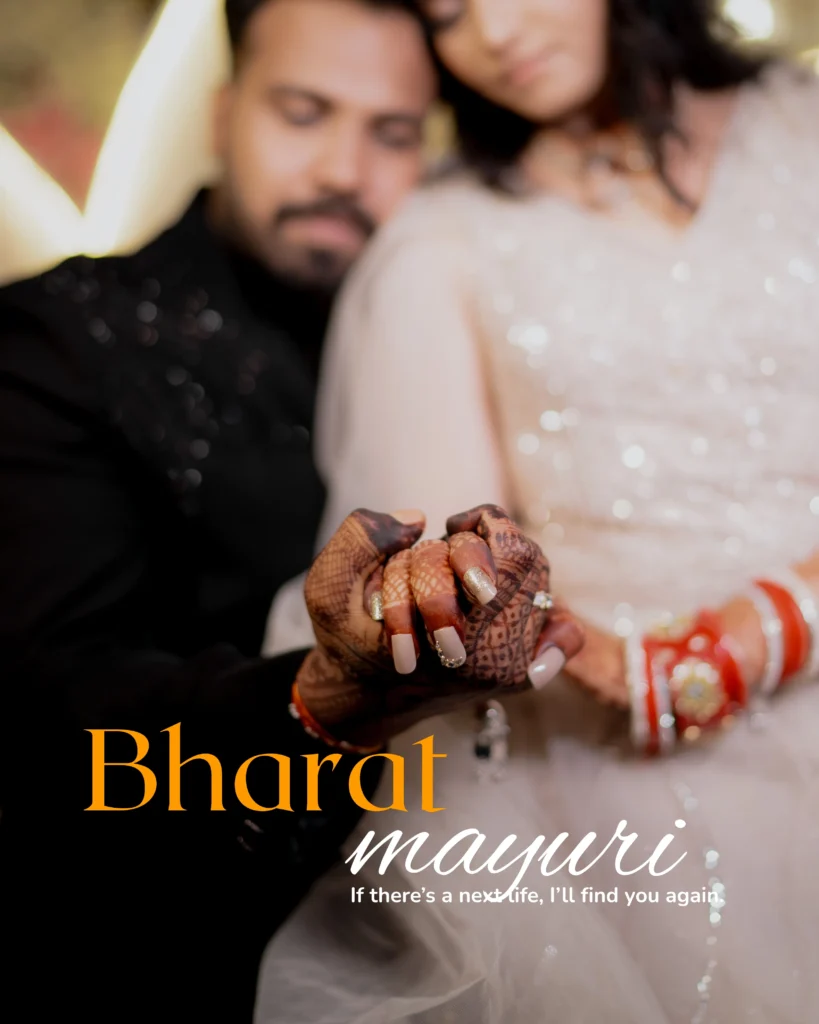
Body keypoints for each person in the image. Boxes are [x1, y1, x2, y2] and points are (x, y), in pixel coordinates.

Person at [257, 2, 819, 1021]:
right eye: (447, 12)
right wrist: (509, 614)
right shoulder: (443, 238)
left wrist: (743, 641)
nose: (496, 32)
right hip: (609, 755)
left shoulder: (804, 125)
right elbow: (449, 557)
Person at [0, 1, 458, 1020]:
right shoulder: (58, 344)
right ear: (221, 114)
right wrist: (328, 695)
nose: (344, 169)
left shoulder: (446, 339)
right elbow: (55, 706)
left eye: (392, 134)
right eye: (303, 112)